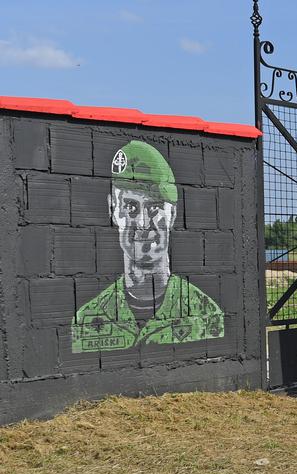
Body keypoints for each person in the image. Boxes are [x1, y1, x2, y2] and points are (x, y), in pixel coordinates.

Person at [73, 140, 224, 352]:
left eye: (155, 206)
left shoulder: (206, 314)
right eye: (131, 207)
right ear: (113, 211)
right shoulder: (85, 320)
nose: (143, 224)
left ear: (173, 214)